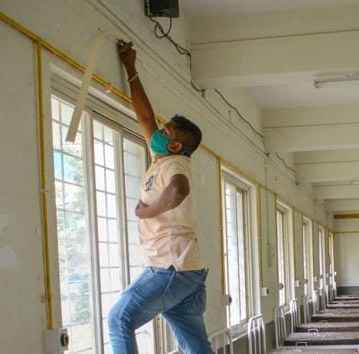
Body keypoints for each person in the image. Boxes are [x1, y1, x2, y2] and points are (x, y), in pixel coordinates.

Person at [107, 40, 213, 354]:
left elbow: (179, 190)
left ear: (178, 145)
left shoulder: (176, 163)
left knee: (118, 320)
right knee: (195, 345)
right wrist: (130, 68)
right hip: (187, 271)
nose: (159, 133)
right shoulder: (161, 157)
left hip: (169, 267)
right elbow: (145, 118)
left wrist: (147, 212)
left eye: (167, 133)